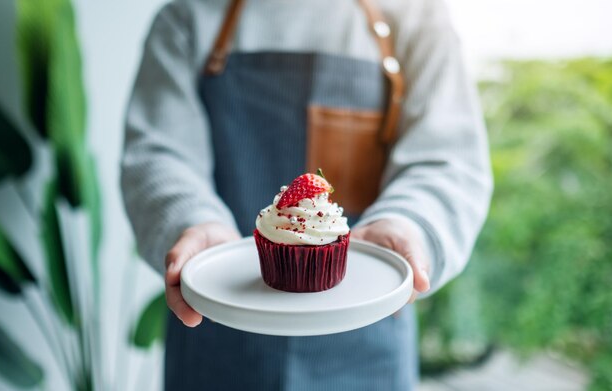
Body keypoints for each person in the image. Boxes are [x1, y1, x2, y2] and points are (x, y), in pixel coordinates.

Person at [121, 0, 492, 389]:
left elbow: (449, 159)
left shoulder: (416, 16)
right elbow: (158, 154)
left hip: (368, 342)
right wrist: (192, 221)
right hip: (217, 332)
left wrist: (406, 222)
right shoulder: (187, 17)